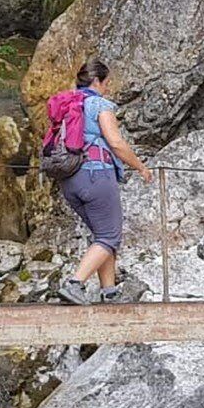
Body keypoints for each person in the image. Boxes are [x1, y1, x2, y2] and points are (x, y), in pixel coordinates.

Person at [57, 59, 152, 305]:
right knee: (110, 235)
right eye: (106, 83)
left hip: (69, 179)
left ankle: (109, 292)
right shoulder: (99, 104)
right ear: (97, 81)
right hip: (96, 174)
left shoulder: (67, 104)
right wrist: (141, 167)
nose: (108, 88)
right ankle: (74, 284)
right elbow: (117, 143)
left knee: (102, 235)